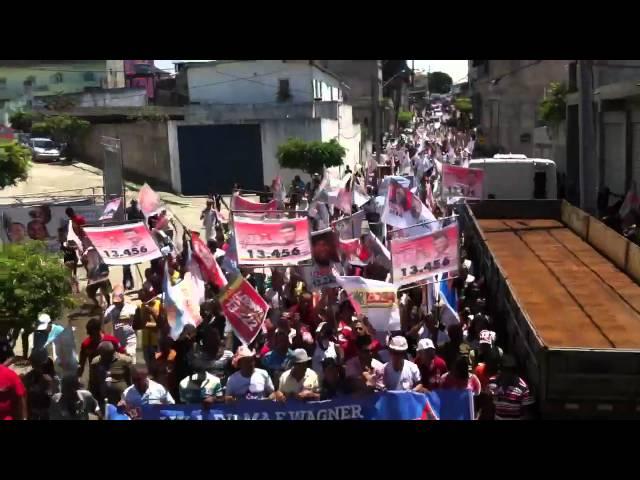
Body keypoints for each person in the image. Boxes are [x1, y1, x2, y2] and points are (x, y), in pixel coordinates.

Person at [486, 354, 534, 420]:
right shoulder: (492, 381)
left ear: (514, 371)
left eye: (509, 370)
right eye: (504, 369)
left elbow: (527, 412)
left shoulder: (523, 387)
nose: (506, 372)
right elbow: (489, 405)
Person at [88, 341, 133, 409]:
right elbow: (93, 382)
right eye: (101, 354)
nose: (104, 357)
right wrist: (93, 399)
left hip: (122, 399)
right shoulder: (96, 362)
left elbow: (131, 380)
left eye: (106, 355)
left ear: (112, 352)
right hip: (103, 400)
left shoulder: (125, 361)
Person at [22, 349, 59, 420]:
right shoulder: (29, 377)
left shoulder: (50, 377)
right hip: (34, 409)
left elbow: (55, 396)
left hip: (46, 410)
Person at [103, 286, 137, 359]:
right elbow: (103, 322)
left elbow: (139, 322)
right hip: (118, 343)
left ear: (123, 299)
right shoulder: (110, 310)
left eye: (118, 302)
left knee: (131, 363)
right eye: (115, 302)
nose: (117, 304)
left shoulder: (131, 308)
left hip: (130, 342)